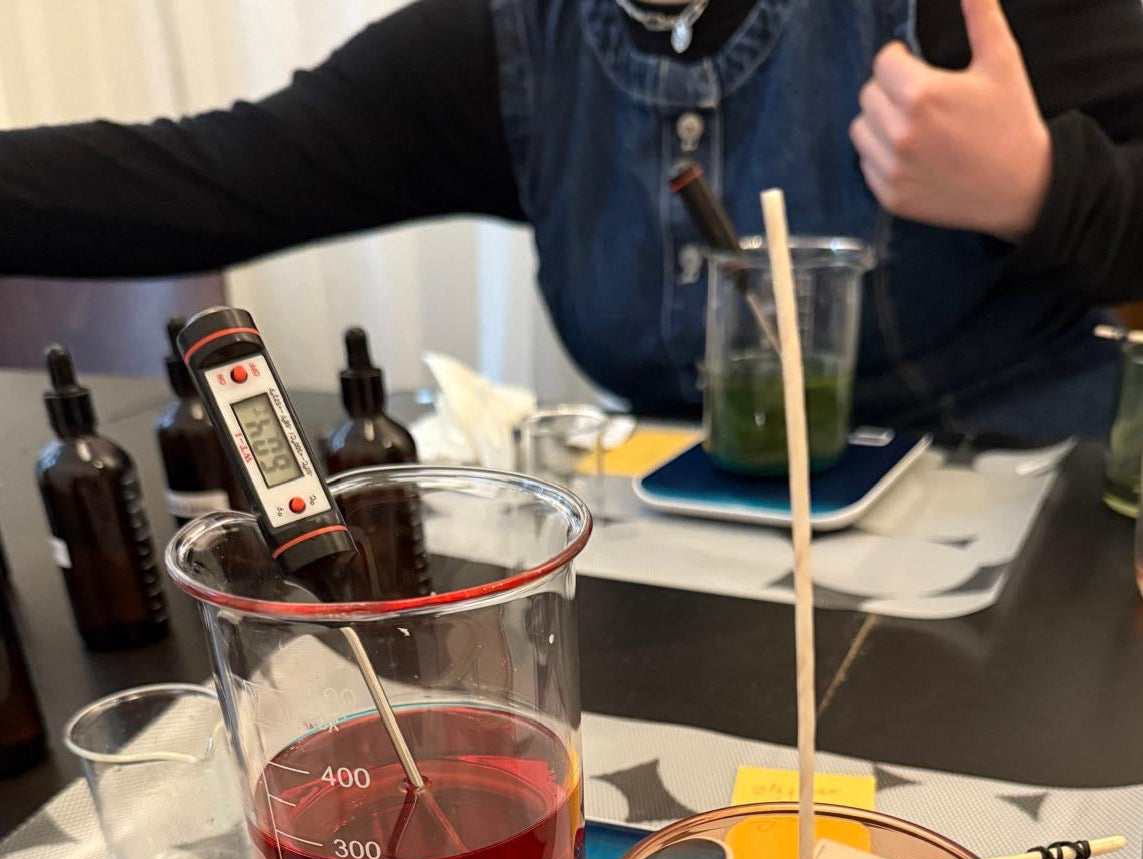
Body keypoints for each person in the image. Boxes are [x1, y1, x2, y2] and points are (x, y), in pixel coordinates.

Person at [0, 0, 1140, 440]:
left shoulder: (968, 15)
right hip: (714, 580)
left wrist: (1046, 189)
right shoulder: (502, 53)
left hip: (1029, 539)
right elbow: (202, 174)